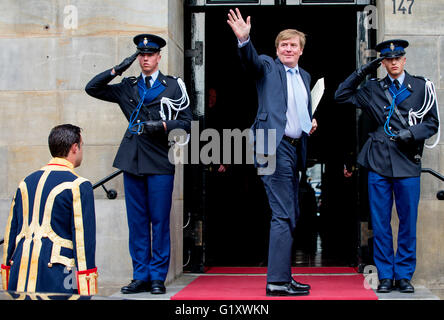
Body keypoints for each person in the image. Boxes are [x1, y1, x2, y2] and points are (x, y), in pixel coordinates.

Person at [85, 34, 192, 294]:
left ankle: (157, 276)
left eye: (150, 54)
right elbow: (92, 88)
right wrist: (117, 69)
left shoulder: (173, 86)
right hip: (132, 160)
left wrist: (165, 125)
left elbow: (188, 122)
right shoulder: (128, 86)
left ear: (158, 57)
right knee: (137, 222)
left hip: (159, 159)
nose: (145, 58)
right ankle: (140, 275)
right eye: (141, 54)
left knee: (159, 221)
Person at [335, 40, 439, 293]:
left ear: (404, 60)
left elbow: (432, 123)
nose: (393, 63)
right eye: (387, 59)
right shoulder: (373, 88)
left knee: (407, 221)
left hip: (407, 160)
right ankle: (385, 275)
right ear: (382, 63)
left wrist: (412, 133)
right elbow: (341, 95)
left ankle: (403, 275)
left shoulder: (422, 87)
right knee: (380, 222)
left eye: (397, 58)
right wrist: (363, 71)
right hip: (379, 161)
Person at [227, 8, 317, 296]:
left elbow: (296, 111)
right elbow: (250, 62)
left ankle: (283, 277)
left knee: (290, 213)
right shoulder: (267, 65)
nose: (288, 49)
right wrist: (244, 41)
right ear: (277, 49)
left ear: (301, 50)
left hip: (293, 148)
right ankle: (277, 281)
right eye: (283, 45)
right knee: (282, 213)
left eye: (293, 45)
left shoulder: (305, 76)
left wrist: (309, 121)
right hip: (271, 147)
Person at [1, 124, 97, 295]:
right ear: (75, 147)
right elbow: (83, 242)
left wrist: (7, 274)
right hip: (58, 275)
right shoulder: (79, 185)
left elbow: (10, 235)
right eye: (82, 146)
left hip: (19, 273)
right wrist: (86, 287)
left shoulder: (26, 182)